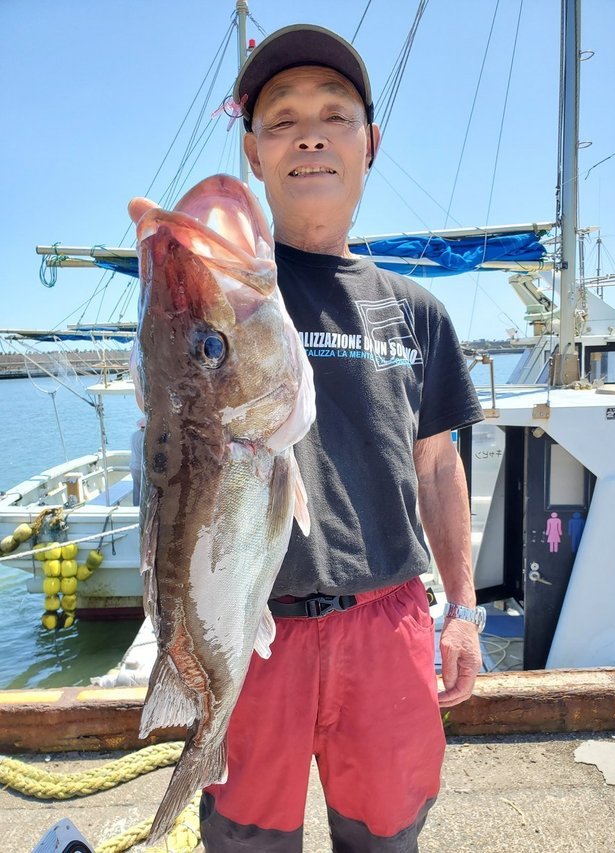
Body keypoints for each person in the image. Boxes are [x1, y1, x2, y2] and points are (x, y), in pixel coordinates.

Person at [199, 24, 485, 852]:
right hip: (255, 628)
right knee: (247, 840)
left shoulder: (418, 311)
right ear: (254, 153)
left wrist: (462, 610)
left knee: (387, 836)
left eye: (335, 113)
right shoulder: (224, 303)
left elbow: (438, 467)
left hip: (388, 623)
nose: (310, 133)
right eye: (281, 118)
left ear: (371, 144)